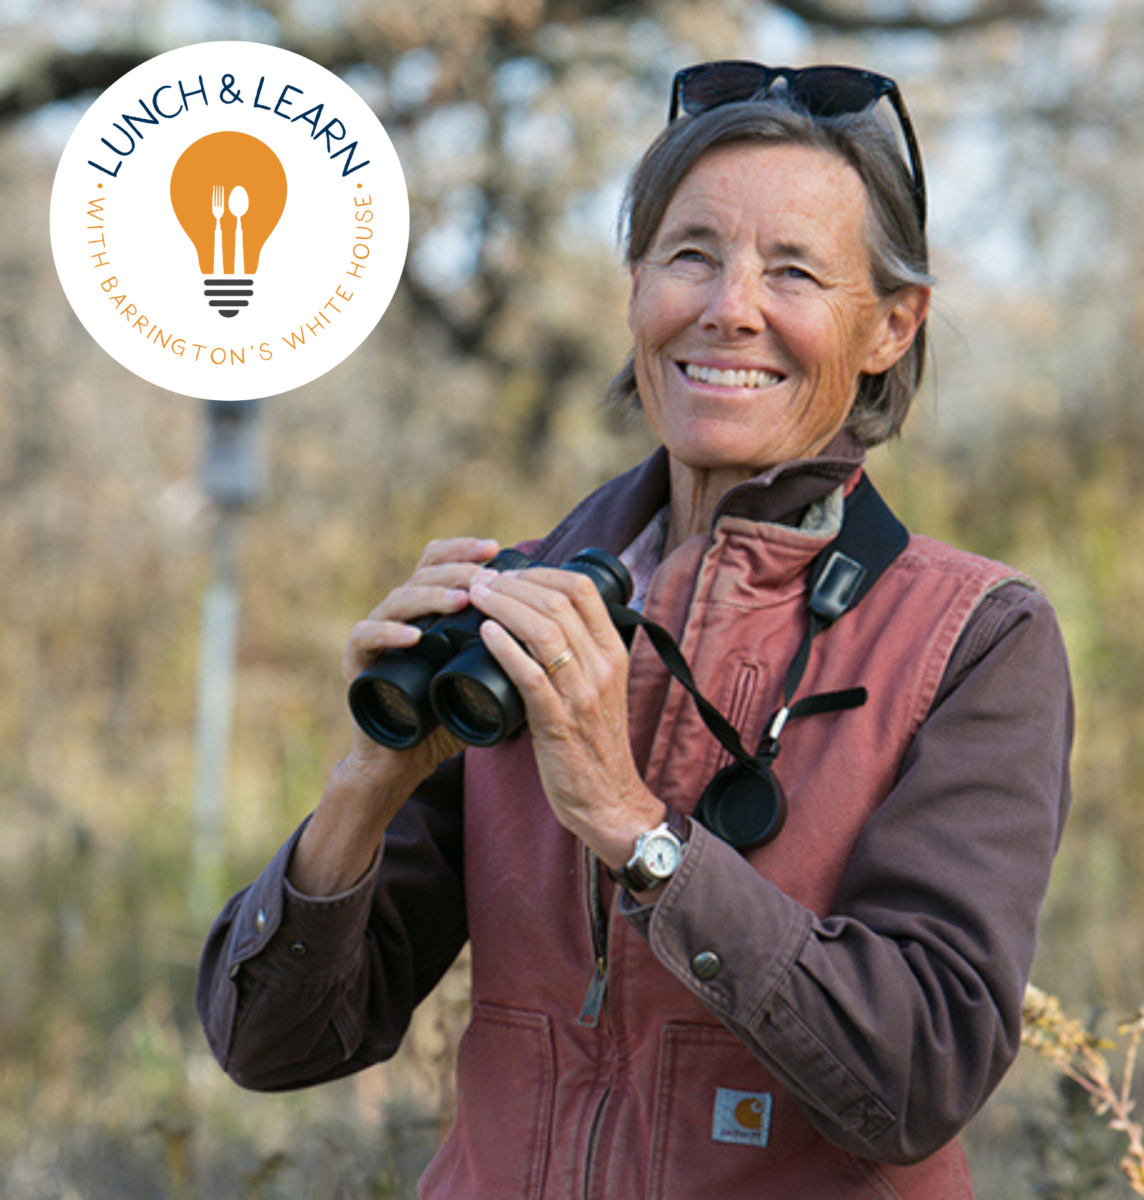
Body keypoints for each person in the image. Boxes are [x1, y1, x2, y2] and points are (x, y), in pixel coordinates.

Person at [198, 62, 1073, 1199]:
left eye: (794, 270)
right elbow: (275, 1048)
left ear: (891, 328)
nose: (729, 308)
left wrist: (631, 825)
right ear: (636, 288)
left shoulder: (972, 638)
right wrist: (366, 787)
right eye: (691, 255)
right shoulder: (518, 611)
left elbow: (915, 1077)